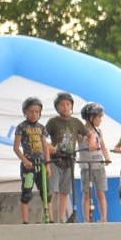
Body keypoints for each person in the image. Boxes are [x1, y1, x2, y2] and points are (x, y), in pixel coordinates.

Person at [45, 91, 87, 222]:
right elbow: (42, 137)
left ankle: (61, 218)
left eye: (68, 104)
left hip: (69, 159)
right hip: (55, 159)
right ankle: (49, 217)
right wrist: (48, 146)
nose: (65, 107)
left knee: (65, 191)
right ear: (57, 107)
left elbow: (88, 134)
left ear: (71, 106)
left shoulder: (76, 122)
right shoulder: (53, 122)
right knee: (52, 191)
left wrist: (89, 141)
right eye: (62, 105)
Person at [13, 97, 53, 224]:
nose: (34, 114)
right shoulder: (21, 127)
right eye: (31, 111)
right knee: (26, 194)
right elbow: (16, 148)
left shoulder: (41, 128)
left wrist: (47, 165)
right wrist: (25, 160)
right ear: (25, 112)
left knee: (46, 193)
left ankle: (48, 218)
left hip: (41, 163)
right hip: (29, 164)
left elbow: (45, 147)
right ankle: (25, 221)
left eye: (37, 111)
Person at [79, 102, 110, 223]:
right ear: (91, 117)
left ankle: (103, 218)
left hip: (99, 165)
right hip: (87, 166)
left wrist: (106, 157)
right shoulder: (81, 131)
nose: (100, 120)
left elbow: (103, 146)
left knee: (100, 192)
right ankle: (86, 219)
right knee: (86, 194)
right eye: (99, 117)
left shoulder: (98, 131)